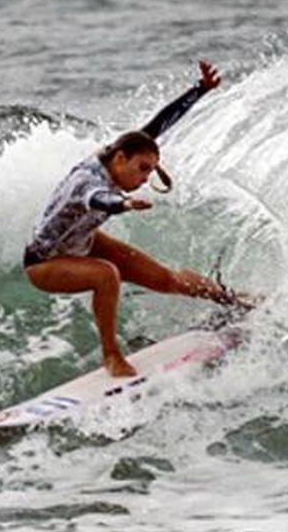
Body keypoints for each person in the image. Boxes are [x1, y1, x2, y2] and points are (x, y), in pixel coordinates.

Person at [23, 60, 248, 378]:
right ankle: (112, 357)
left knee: (166, 280)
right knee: (106, 274)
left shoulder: (119, 152)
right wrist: (124, 203)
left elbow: (157, 126)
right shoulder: (87, 181)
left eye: (151, 169)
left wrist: (199, 90)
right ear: (120, 159)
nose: (145, 177)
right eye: (142, 169)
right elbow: (97, 200)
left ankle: (234, 301)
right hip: (44, 261)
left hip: (81, 242)